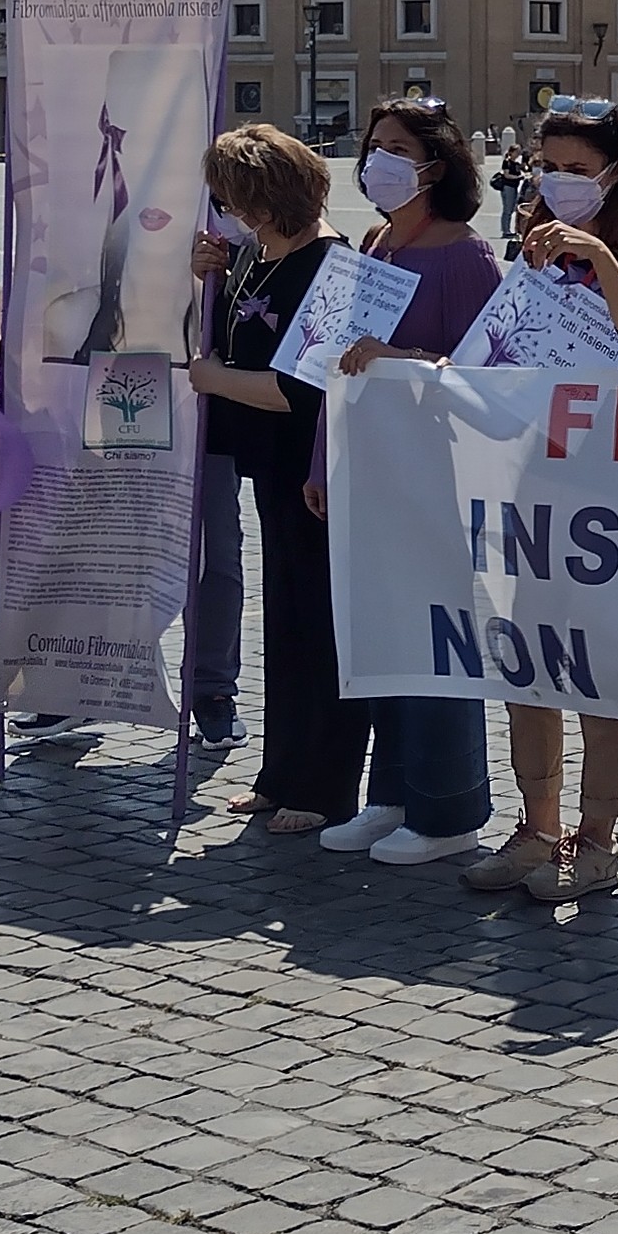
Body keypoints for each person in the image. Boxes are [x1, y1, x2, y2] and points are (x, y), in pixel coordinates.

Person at [462, 101, 618, 905]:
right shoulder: (528, 255)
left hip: (617, 483)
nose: (556, 182)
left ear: (615, 174)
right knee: (529, 660)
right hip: (539, 475)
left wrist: (598, 255)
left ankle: (597, 838)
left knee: (598, 666)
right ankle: (536, 825)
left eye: (574, 168)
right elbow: (489, 353)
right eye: (545, 166)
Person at [316, 99, 503, 866]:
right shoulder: (372, 242)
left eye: (395, 147)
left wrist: (397, 356)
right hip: (368, 471)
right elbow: (332, 362)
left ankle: (449, 805)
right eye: (372, 145)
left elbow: (487, 374)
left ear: (434, 164)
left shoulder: (467, 256)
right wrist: (319, 462)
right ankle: (390, 793)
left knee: (436, 641)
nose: (377, 161)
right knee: (383, 634)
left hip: (437, 476)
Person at [189, 127, 349, 832]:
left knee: (320, 626)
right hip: (268, 465)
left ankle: (325, 786)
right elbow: (233, 330)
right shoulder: (256, 252)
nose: (225, 207)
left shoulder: (329, 262)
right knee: (282, 624)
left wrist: (212, 379)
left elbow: (298, 388)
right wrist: (209, 279)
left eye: (233, 196)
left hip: (313, 464)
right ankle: (280, 771)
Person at [186, 217, 253, 748]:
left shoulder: (237, 219)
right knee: (99, 539)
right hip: (116, 374)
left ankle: (212, 689)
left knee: (215, 551)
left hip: (209, 406)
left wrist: (221, 277)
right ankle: (76, 680)